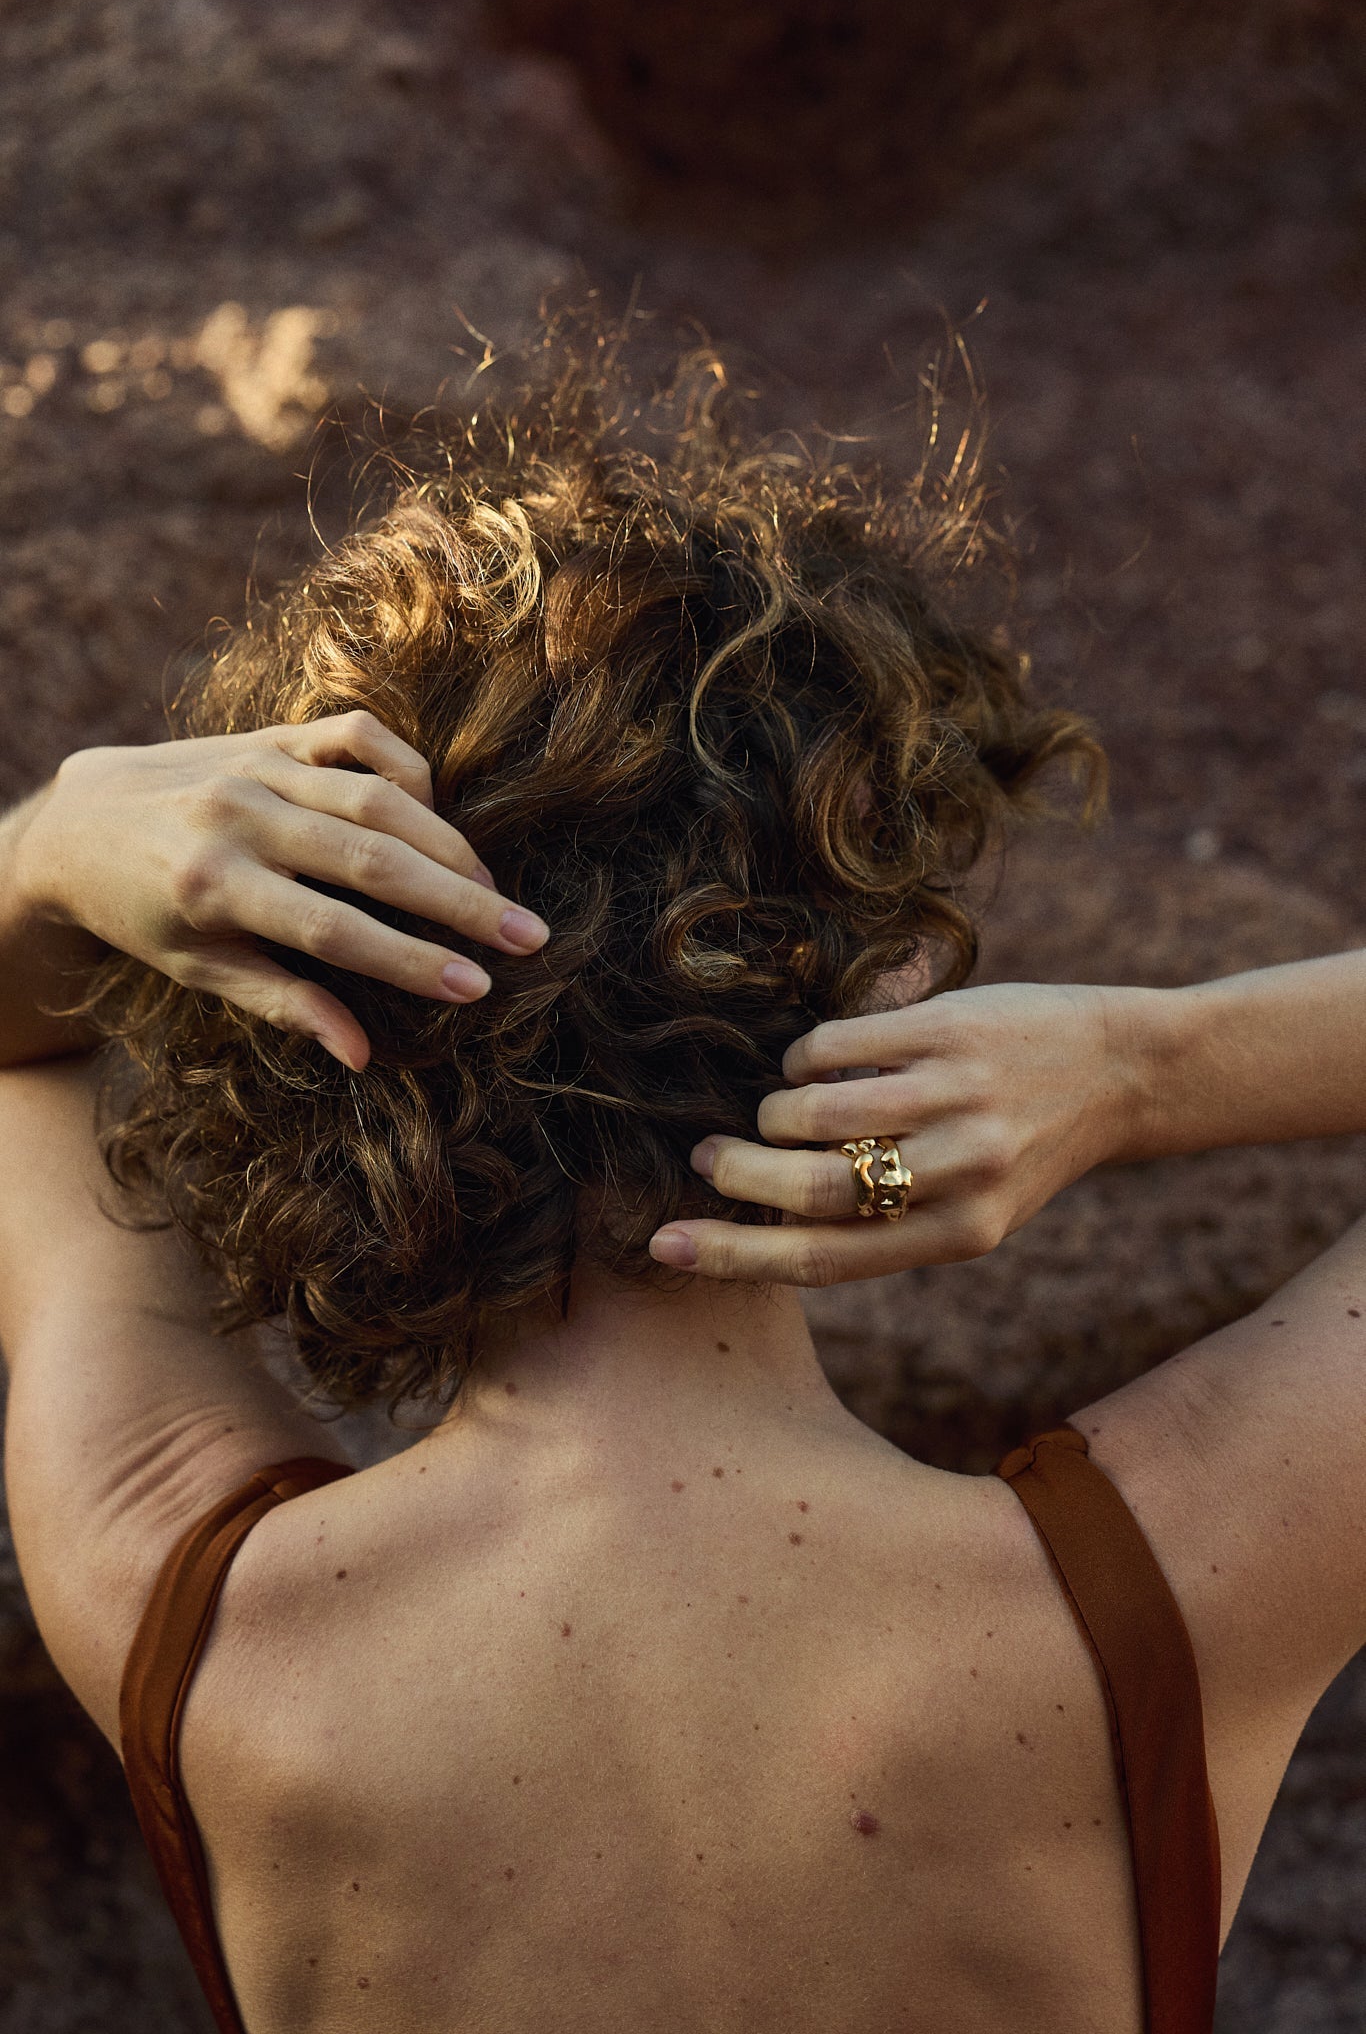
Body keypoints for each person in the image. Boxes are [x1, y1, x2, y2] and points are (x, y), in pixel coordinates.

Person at [0, 337, 1362, 2034]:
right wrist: (1147, 1071)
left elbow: (19, 1049)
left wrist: (47, 846)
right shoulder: (1161, 1600)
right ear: (884, 986)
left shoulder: (186, 1612)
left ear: (294, 1001)